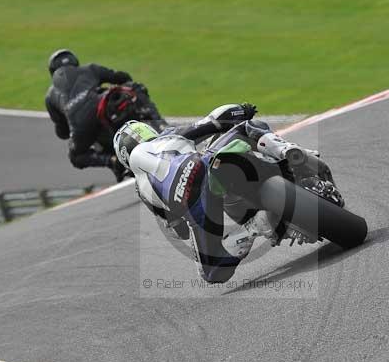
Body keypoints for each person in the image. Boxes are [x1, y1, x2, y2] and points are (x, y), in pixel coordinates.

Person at [114, 103, 314, 283]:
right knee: (246, 128)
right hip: (204, 166)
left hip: (192, 206)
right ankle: (289, 150)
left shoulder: (141, 188)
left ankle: (254, 227)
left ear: (124, 159)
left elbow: (179, 230)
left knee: (212, 273)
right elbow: (213, 121)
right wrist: (242, 111)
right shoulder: (169, 135)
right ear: (148, 131)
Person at [45, 48, 136, 181]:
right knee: (135, 91)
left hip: (81, 126)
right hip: (105, 110)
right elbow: (121, 77)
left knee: (76, 156)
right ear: (75, 62)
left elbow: (62, 131)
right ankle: (158, 124)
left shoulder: (50, 95)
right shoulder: (89, 69)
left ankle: (111, 160)